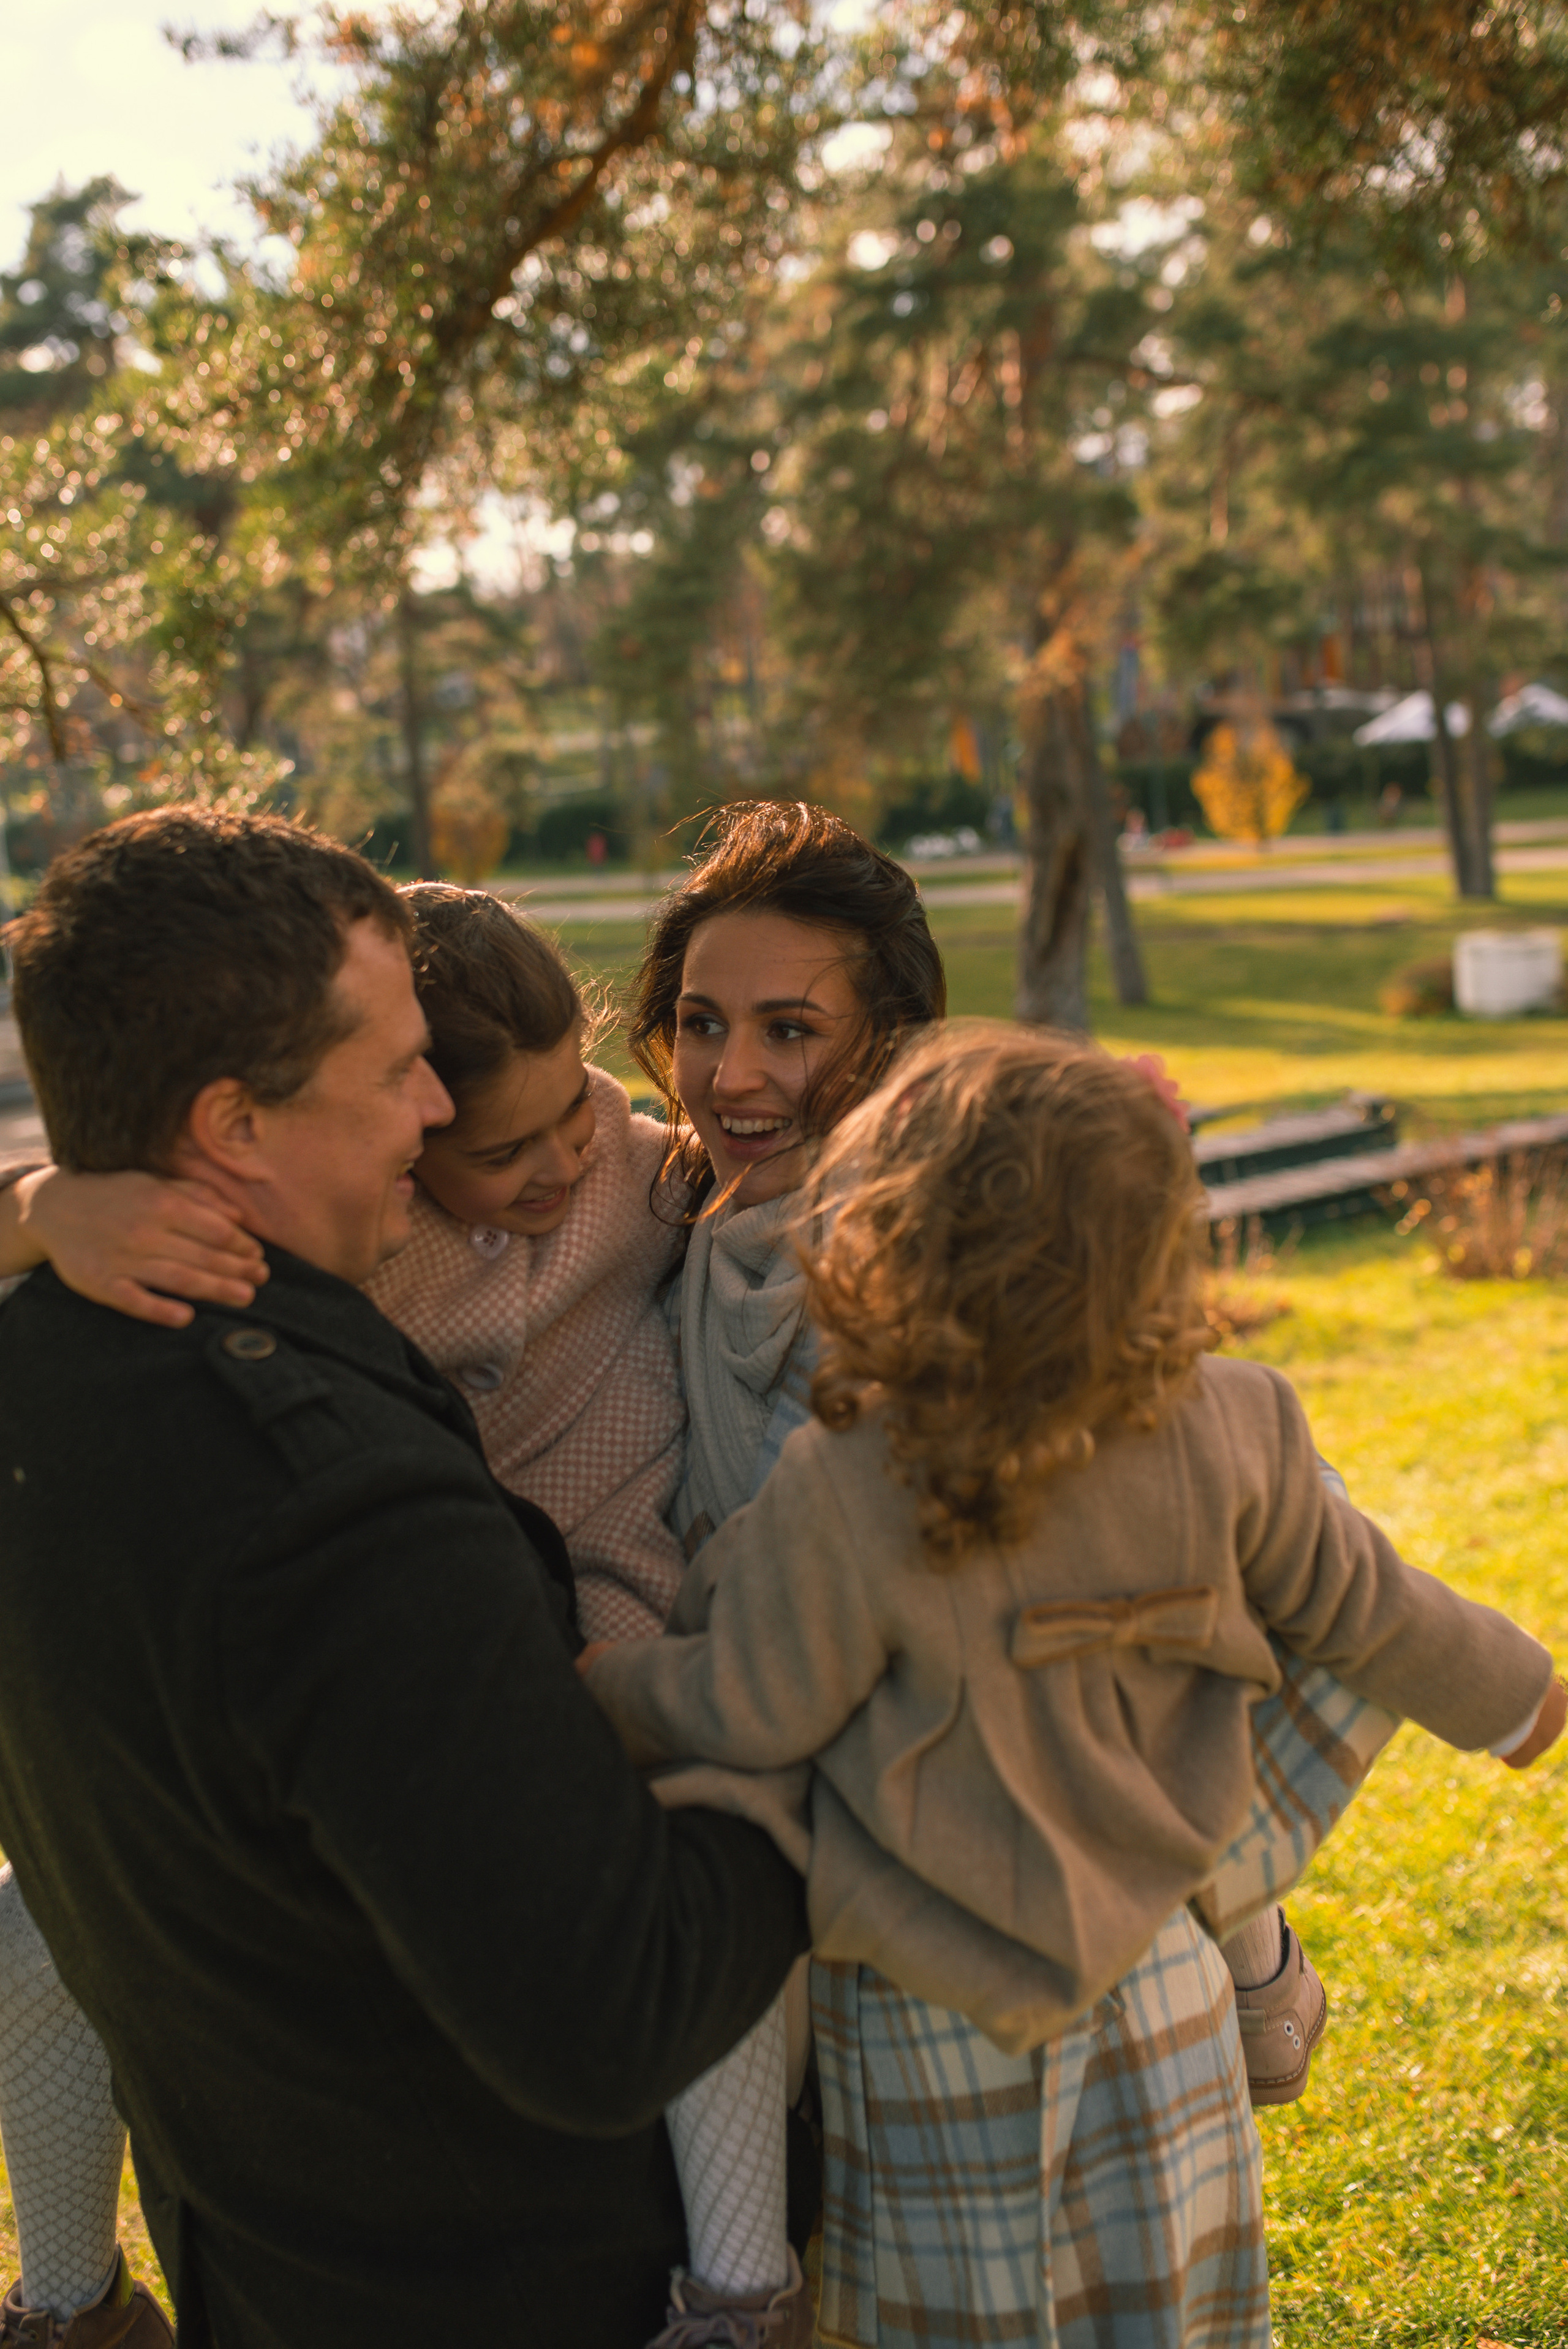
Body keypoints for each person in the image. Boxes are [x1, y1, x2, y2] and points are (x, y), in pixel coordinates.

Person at [584, 1022, 1566, 2348]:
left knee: (967, 2319)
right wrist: (1517, 1700)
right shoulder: (1236, 1418)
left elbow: (753, 1710)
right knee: (1171, 2301)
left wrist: (604, 1688)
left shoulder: (854, 1479)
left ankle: (738, 2278)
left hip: (938, 2009)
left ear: (886, 1241)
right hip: (1160, 1979)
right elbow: (1368, 1606)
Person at [0, 809, 807, 2349]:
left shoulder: (37, 1372)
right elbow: (601, 2016)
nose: (430, 1106)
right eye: (393, 1072)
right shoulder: (342, 1511)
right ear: (236, 1125)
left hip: (260, 2271)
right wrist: (806, 1796)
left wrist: (40, 1208)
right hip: (509, 2286)